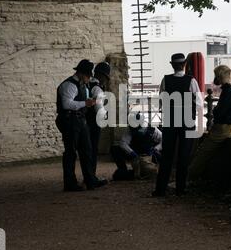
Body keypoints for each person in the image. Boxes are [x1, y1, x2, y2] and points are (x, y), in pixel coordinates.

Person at [152, 53, 202, 197]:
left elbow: (161, 101)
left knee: (167, 155)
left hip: (169, 121)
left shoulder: (165, 80)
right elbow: (199, 103)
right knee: (184, 155)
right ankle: (181, 189)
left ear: (172, 65)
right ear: (184, 64)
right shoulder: (191, 81)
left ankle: (160, 189)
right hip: (187, 121)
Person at [55, 59, 108, 192]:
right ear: (82, 73)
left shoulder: (81, 85)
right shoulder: (69, 85)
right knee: (71, 152)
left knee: (87, 151)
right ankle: (70, 183)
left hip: (79, 120)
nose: (89, 78)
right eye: (88, 76)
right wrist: (86, 103)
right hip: (69, 121)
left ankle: (91, 180)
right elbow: (67, 104)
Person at [188, 65, 231, 181]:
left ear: (220, 77)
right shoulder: (229, 90)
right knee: (204, 150)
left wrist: (215, 110)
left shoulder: (228, 92)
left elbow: (219, 112)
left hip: (223, 128)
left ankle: (188, 178)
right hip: (227, 127)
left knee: (202, 152)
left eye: (216, 75)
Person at [110, 115, 162, 180]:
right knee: (115, 149)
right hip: (135, 154)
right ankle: (123, 170)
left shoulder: (152, 129)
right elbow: (123, 143)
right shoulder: (130, 129)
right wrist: (131, 152)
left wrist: (156, 148)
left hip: (148, 155)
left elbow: (163, 139)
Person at [87, 62, 111, 176]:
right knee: (93, 150)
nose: (106, 80)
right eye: (106, 77)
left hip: (84, 122)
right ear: (101, 76)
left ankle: (88, 176)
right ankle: (92, 177)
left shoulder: (87, 84)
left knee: (86, 151)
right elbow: (99, 110)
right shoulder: (97, 89)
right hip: (93, 123)